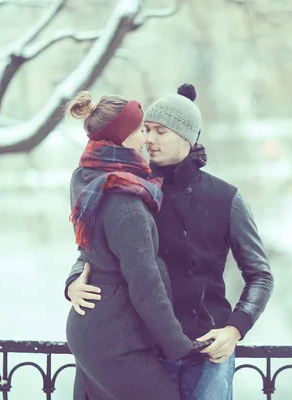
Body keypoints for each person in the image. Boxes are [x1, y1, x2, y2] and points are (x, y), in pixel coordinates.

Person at [66, 84, 274, 400]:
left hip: (207, 351)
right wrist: (73, 282)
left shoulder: (225, 197)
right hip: (144, 348)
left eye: (160, 131)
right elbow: (96, 247)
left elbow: (260, 275)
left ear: (187, 137)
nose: (149, 138)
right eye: (145, 129)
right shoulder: (132, 188)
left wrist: (234, 330)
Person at [64, 91, 201, 400]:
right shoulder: (124, 199)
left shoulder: (89, 176)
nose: (145, 138)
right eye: (140, 129)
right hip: (114, 340)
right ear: (123, 137)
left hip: (95, 330)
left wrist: (73, 280)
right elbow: (145, 284)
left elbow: (90, 249)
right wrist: (179, 345)